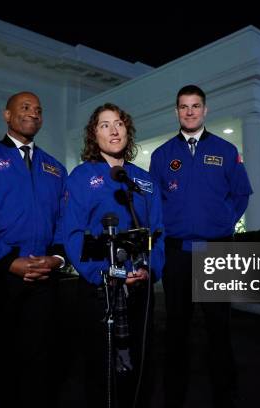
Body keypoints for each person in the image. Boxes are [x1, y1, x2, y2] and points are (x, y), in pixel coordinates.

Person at [149, 85, 253, 408]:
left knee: (218, 328)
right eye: (184, 106)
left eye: (195, 106)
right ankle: (174, 397)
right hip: (178, 253)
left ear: (205, 110)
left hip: (216, 251)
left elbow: (241, 194)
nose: (190, 112)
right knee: (176, 330)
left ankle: (226, 395)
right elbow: (154, 203)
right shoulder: (162, 155)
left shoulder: (225, 150)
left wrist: (223, 223)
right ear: (176, 111)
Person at [62, 103, 164, 408]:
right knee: (100, 368)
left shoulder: (144, 180)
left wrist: (149, 270)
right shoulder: (81, 176)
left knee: (140, 365)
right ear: (95, 134)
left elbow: (158, 231)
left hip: (140, 287)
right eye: (104, 125)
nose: (114, 130)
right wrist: (103, 273)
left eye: (119, 123)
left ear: (127, 130)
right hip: (100, 289)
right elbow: (72, 233)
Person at [0, 91, 67, 407]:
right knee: (2, 361)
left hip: (46, 279)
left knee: (43, 363)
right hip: (2, 279)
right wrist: (8, 260)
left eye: (39, 110)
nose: (34, 114)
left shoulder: (54, 168)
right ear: (7, 115)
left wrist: (55, 258)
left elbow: (66, 221)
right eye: (25, 108)